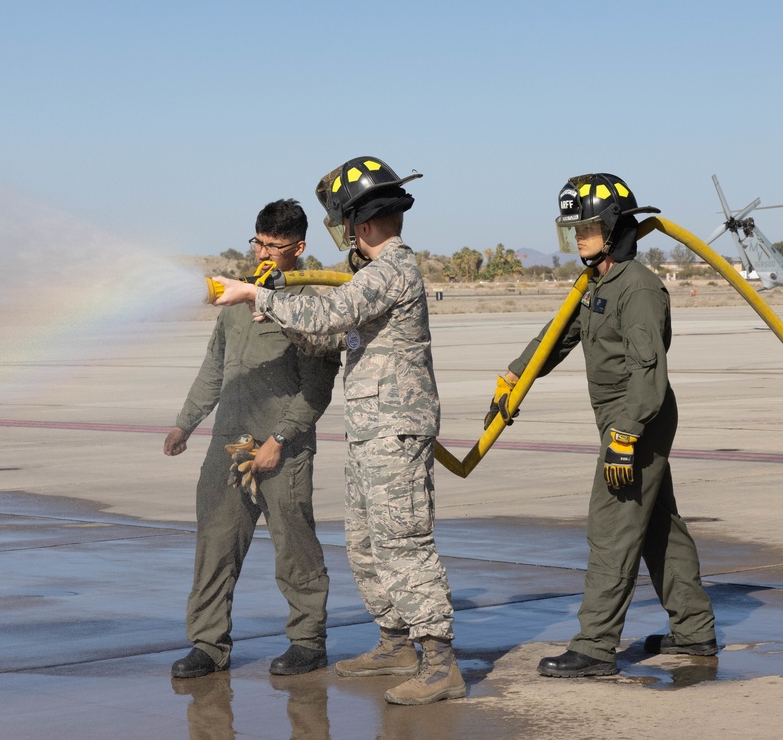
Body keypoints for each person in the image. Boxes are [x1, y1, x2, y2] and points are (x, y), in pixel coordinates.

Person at [213, 157, 464, 706]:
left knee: (403, 542)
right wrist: (278, 311)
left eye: (344, 224)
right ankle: (396, 642)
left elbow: (336, 311)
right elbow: (331, 337)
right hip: (373, 430)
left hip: (395, 430)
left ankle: (439, 661)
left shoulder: (391, 270)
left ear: (362, 224)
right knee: (366, 541)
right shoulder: (373, 275)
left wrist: (258, 295)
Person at [486, 173, 717, 677]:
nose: (578, 238)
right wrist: (513, 377)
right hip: (622, 417)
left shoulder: (638, 289)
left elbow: (648, 374)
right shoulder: (597, 283)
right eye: (573, 229)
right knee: (659, 526)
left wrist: (625, 436)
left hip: (637, 416)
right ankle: (695, 630)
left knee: (612, 527)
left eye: (587, 227)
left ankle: (594, 646)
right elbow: (558, 335)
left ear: (614, 228)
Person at [165, 198, 340, 679]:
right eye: (258, 243)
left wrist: (279, 439)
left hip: (283, 445)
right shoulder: (236, 301)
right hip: (231, 439)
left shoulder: (311, 305)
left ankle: (307, 641)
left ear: (299, 247)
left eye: (275, 246)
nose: (263, 254)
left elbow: (318, 388)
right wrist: (186, 423)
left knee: (294, 545)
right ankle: (208, 644)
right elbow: (215, 367)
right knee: (216, 544)